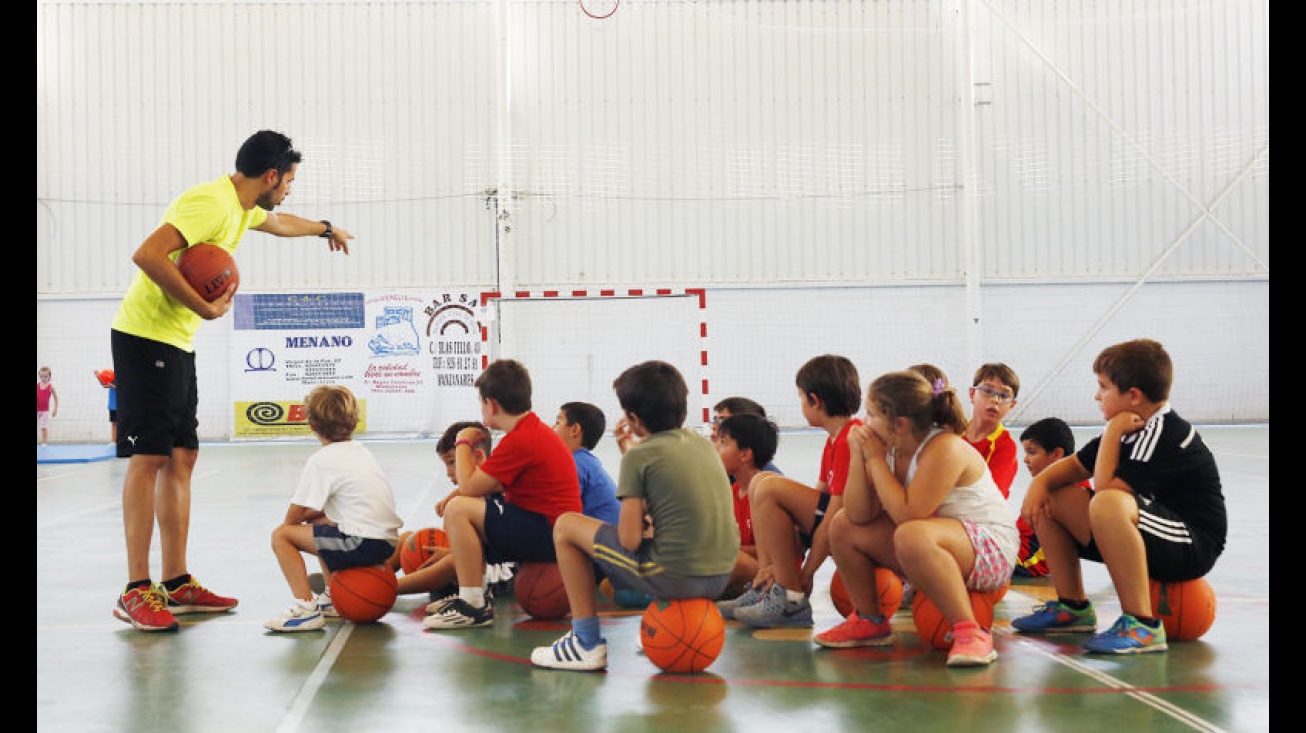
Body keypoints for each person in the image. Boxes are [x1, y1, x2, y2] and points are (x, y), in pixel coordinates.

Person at [109, 129, 354, 632]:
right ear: (270, 175)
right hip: (144, 336)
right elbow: (148, 254)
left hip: (176, 342)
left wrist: (324, 228)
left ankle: (176, 583)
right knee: (150, 457)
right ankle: (137, 589)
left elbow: (281, 221)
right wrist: (201, 305)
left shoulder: (243, 207)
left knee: (182, 456)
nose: (288, 190)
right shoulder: (210, 203)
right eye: (287, 180)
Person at [1014, 339, 1226, 655]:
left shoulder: (1163, 432)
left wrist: (1113, 432)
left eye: (1103, 387)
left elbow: (1106, 490)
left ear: (1133, 396)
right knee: (1053, 497)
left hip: (1192, 542)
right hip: (1148, 533)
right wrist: (1037, 488)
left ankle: (1142, 624)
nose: (1097, 396)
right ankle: (1072, 608)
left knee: (1108, 501)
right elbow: (1068, 469)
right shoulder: (1129, 428)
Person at [530, 360, 738, 672]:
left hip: (677, 575)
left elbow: (628, 539)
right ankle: (666, 623)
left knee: (566, 527)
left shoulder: (641, 457)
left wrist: (632, 461)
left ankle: (585, 643)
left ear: (633, 418)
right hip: (722, 573)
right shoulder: (702, 444)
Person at [814, 370, 1018, 667]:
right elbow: (860, 514)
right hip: (939, 543)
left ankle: (971, 632)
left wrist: (873, 459)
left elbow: (909, 514)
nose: (864, 422)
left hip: (991, 551)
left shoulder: (944, 448)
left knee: (910, 533)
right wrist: (859, 457)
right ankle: (870, 620)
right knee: (843, 526)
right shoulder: (889, 447)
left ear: (900, 424)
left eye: (871, 414)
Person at [423, 359, 583, 630]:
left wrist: (463, 441)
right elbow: (489, 486)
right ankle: (474, 594)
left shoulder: (522, 439)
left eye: (481, 402)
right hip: (552, 531)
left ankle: (473, 604)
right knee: (466, 505)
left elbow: (471, 486)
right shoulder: (530, 432)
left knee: (459, 509)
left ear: (492, 404)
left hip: (550, 534)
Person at [729, 354, 863, 629]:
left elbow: (834, 513)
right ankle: (768, 587)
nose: (802, 405)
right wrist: (780, 563)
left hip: (856, 526)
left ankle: (791, 601)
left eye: (801, 398)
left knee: (767, 484)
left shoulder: (852, 438)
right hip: (837, 521)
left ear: (815, 401)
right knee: (762, 484)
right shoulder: (833, 441)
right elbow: (814, 510)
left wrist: (807, 571)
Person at [263, 385, 403, 632]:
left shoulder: (322, 460)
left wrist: (306, 520)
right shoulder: (361, 451)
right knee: (320, 525)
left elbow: (292, 519)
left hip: (363, 541)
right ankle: (331, 597)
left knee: (281, 536)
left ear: (312, 425)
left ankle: (305, 609)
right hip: (387, 542)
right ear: (354, 421)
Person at [388, 421, 492, 599]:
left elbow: (493, 551)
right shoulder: (463, 497)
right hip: (463, 565)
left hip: (493, 573)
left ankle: (383, 590)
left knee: (453, 561)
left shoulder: (494, 496)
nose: (449, 472)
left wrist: (452, 552)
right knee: (409, 540)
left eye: (453, 462)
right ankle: (369, 578)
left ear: (479, 457)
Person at [714, 412, 780, 599]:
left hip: (778, 575)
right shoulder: (730, 492)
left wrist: (729, 550)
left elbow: (778, 553)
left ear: (744, 455)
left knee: (729, 559)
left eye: (724, 442)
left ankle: (776, 596)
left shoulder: (768, 490)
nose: (717, 447)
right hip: (748, 573)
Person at [1013, 417, 1087, 579]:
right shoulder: (1045, 485)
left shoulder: (1071, 492)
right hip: (1012, 550)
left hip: (1023, 563)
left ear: (1057, 454)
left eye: (1032, 452)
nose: (1025, 459)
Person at [553, 402, 622, 525]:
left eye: (558, 422)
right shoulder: (587, 461)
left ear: (575, 429)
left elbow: (561, 510)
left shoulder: (574, 463)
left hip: (604, 539)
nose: (552, 427)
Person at [709, 396, 783, 474]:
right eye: (715, 420)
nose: (714, 426)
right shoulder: (724, 467)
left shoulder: (768, 480)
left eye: (722, 421)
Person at [36, 366, 59, 446]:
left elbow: (56, 398)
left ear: (49, 377)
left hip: (45, 411)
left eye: (45, 376)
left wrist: (55, 409)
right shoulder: (37, 386)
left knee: (43, 427)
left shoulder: (50, 387)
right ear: (39, 376)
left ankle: (44, 443)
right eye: (41, 376)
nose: (43, 378)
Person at [95, 370, 118, 444]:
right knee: (114, 424)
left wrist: (113, 386)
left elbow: (122, 389)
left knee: (122, 424)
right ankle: (113, 441)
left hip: (120, 406)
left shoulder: (120, 379)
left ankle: (120, 441)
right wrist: (98, 377)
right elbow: (104, 385)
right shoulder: (112, 379)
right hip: (113, 406)